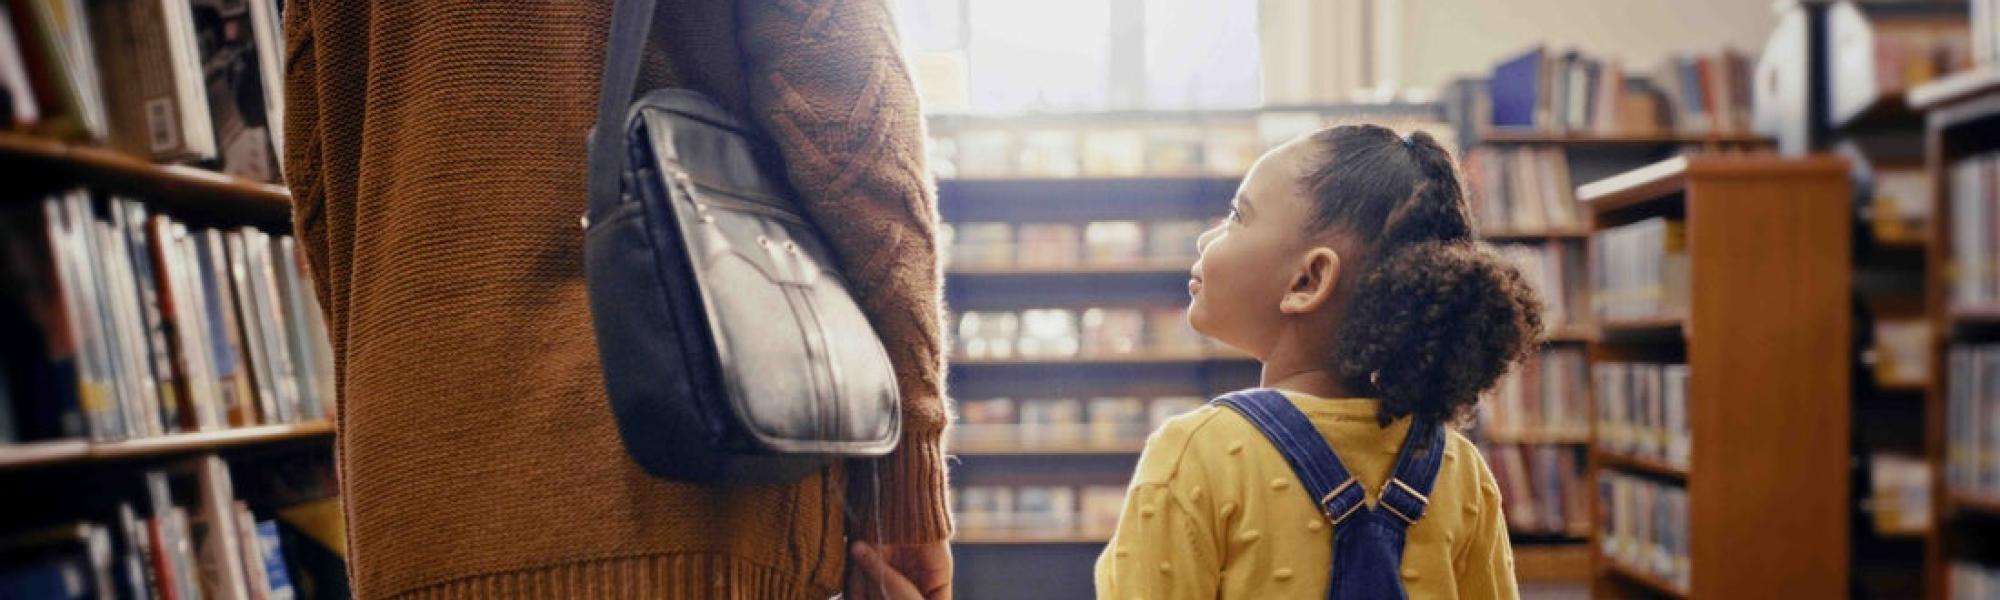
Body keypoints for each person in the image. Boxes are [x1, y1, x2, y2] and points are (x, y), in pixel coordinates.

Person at [280, 1, 952, 598]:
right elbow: (845, 112)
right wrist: (905, 487)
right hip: (688, 492)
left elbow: (320, 178)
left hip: (415, 505)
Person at [1095, 124, 1538, 599]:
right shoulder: (1460, 469)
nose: (1207, 238)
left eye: (1237, 216)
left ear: (1307, 281)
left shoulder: (1194, 454)